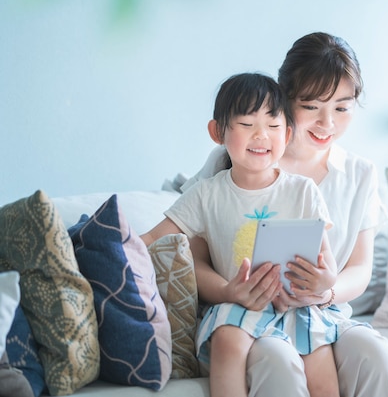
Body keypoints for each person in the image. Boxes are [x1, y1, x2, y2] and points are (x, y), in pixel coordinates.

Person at [182, 32, 388, 397]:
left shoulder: (361, 174)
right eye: (312, 106)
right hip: (249, 317)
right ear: (285, 100)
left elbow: (361, 269)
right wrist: (230, 291)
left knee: (374, 353)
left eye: (342, 108)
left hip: (324, 313)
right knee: (277, 358)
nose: (327, 123)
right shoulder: (239, 158)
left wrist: (325, 292)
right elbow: (191, 254)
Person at [141, 72, 364, 397]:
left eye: (273, 127)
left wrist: (322, 283)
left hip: (296, 305)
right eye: (247, 125)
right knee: (227, 342)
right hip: (238, 303)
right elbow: (153, 239)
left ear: (287, 134)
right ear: (218, 132)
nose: (261, 136)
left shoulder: (303, 191)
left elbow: (328, 266)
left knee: (320, 363)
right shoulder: (206, 193)